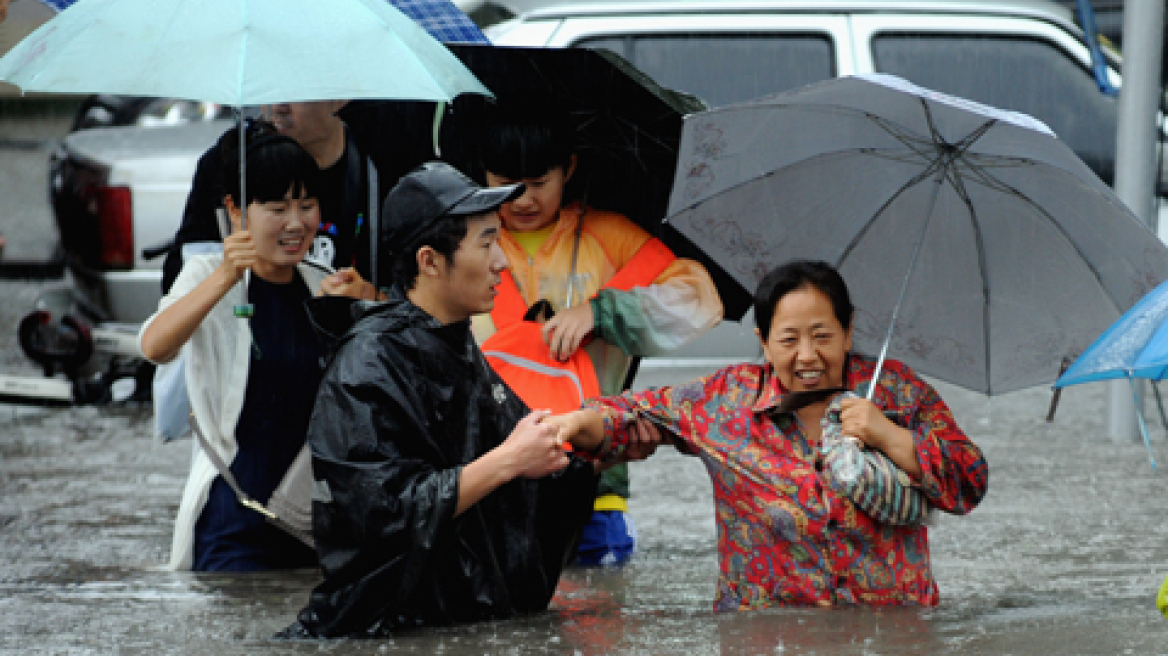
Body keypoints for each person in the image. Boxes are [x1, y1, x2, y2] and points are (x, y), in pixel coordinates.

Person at [283, 162, 619, 638]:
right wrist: (507, 461)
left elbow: (526, 481)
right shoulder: (367, 365)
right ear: (430, 261)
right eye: (485, 243)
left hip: (454, 624)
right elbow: (381, 516)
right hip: (381, 631)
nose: (501, 261)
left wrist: (597, 448)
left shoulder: (456, 344)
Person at [552, 260, 989, 608]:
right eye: (788, 340)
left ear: (848, 330)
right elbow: (622, 414)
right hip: (767, 631)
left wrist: (891, 436)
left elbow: (971, 481)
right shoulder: (727, 400)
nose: (807, 356)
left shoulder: (895, 391)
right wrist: (572, 426)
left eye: (822, 336)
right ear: (763, 341)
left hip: (893, 629)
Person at [471, 103, 724, 566]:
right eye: (507, 182)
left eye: (538, 182)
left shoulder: (612, 237)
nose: (523, 199)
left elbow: (698, 299)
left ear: (569, 168)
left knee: (599, 622)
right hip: (488, 475)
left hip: (594, 473)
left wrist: (602, 312)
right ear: (482, 173)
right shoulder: (466, 242)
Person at [138, 120, 332, 571]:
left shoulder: (322, 285)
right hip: (233, 522)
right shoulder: (209, 274)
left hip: (310, 518)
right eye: (277, 207)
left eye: (307, 205)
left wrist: (365, 303)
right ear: (236, 209)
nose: (296, 223)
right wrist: (226, 275)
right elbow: (154, 346)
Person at [161, 101, 434, 300]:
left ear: (340, 97)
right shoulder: (231, 160)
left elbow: (425, 291)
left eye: (296, 91)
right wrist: (228, 270)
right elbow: (179, 283)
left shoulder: (384, 160)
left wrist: (370, 300)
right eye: (269, 88)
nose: (278, 105)